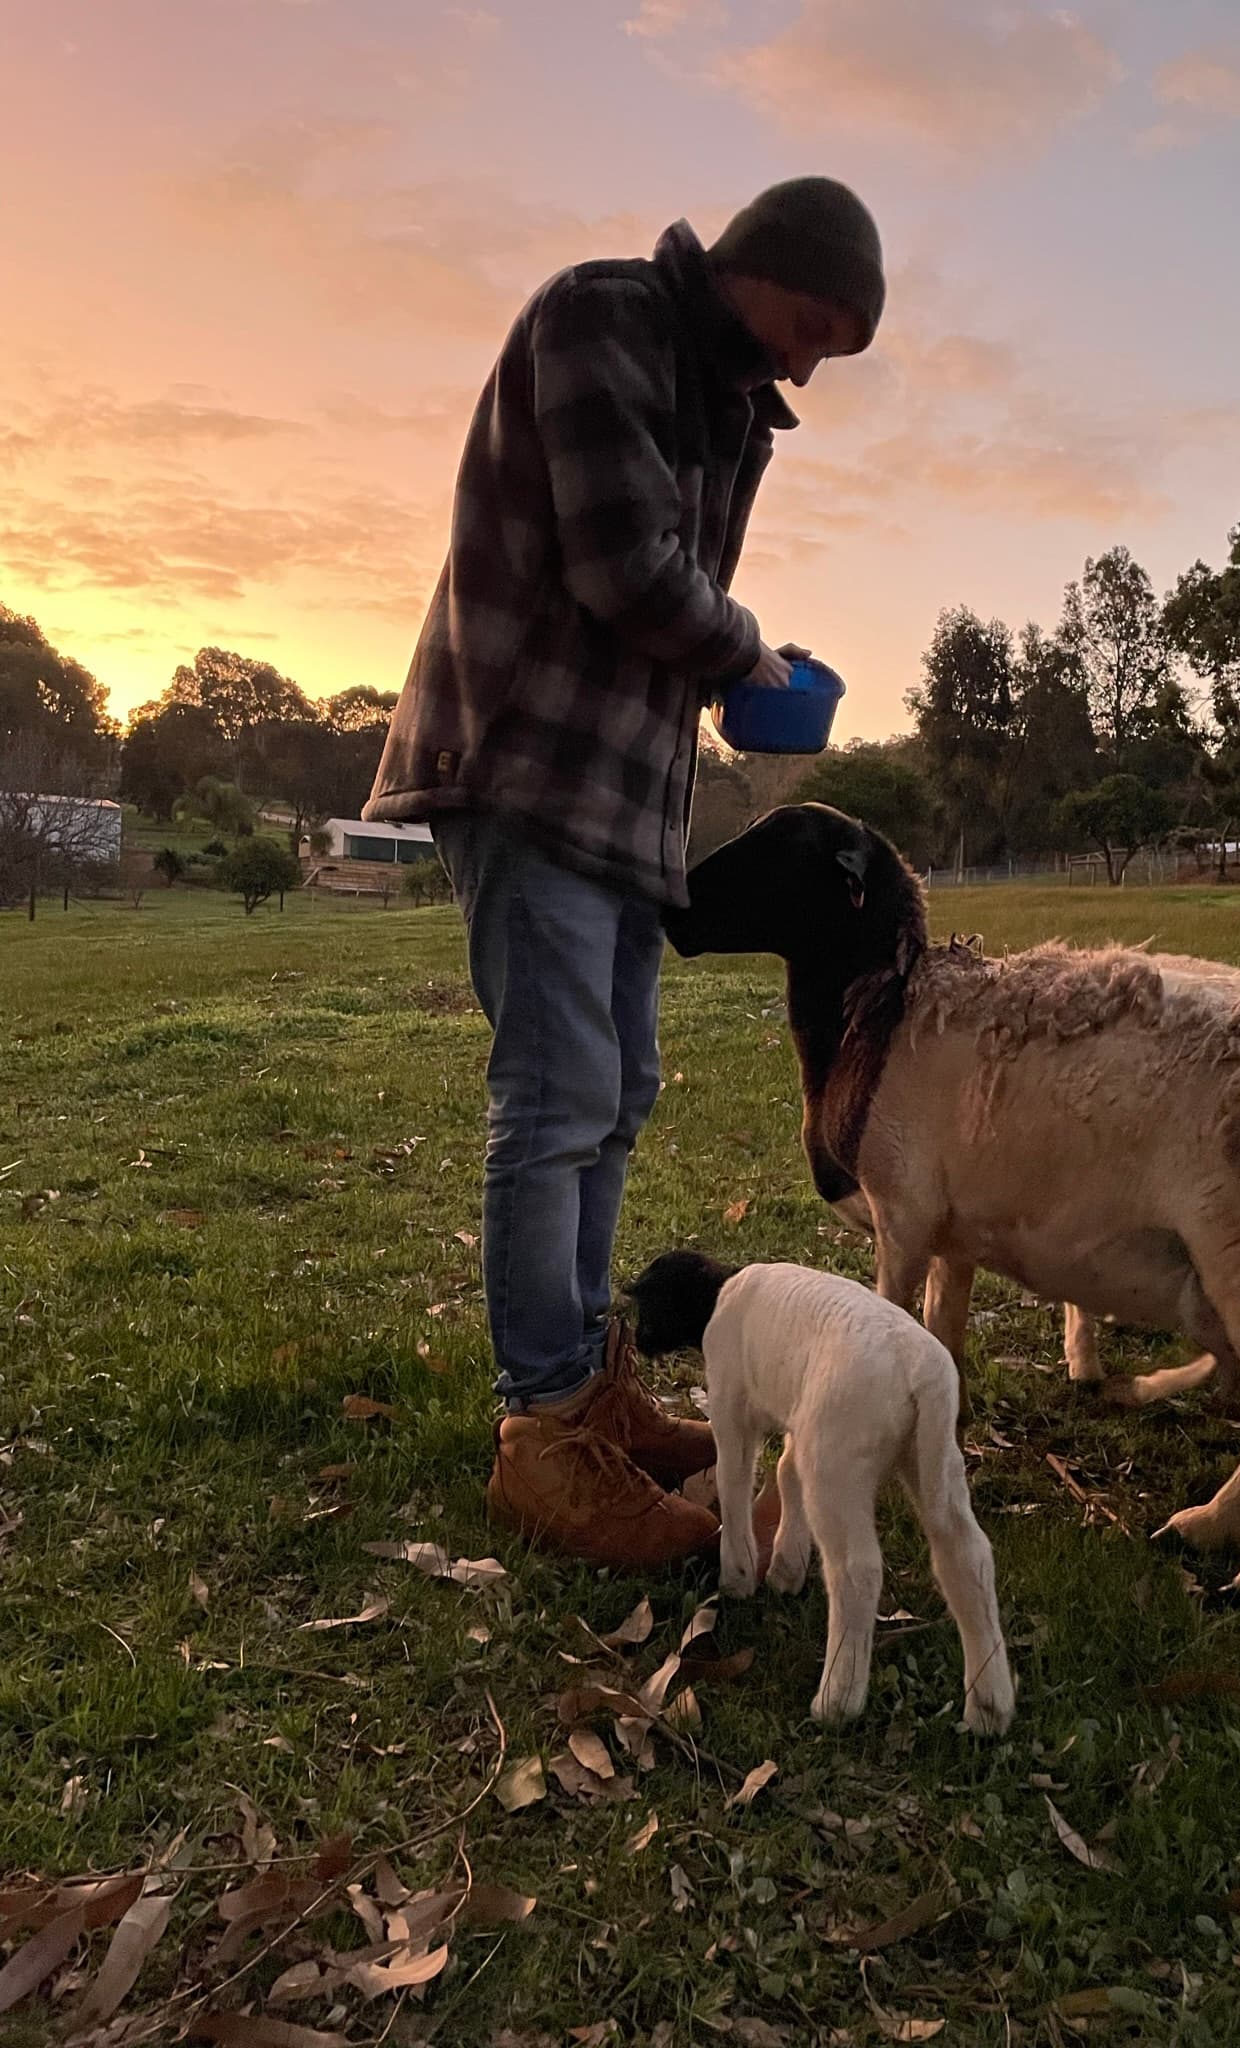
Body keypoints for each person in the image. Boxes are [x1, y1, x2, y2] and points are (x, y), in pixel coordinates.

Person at [362, 176, 885, 1568]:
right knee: (555, 1100)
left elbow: (672, 604)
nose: (804, 364)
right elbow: (624, 567)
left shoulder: (731, 405)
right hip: (527, 764)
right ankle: (543, 1433)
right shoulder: (604, 319)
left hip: (627, 798)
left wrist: (736, 670)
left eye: (831, 351)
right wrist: (751, 650)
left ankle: (594, 1389)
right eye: (811, 327)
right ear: (757, 268)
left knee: (619, 1092)